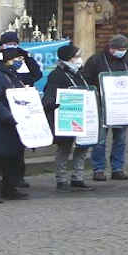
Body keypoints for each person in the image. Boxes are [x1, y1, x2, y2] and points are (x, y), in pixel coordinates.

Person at [0, 38, 39, 202]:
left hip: (15, 123)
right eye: (18, 59)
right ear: (8, 60)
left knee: (12, 158)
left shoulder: (14, 76)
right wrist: (7, 116)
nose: (20, 62)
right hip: (1, 123)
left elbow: (34, 77)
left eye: (21, 59)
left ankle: (9, 188)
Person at [82, 34, 128, 181]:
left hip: (121, 106)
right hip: (101, 105)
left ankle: (117, 168)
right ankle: (99, 169)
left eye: (124, 49)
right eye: (119, 49)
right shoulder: (96, 60)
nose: (122, 51)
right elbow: (86, 79)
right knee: (100, 140)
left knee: (120, 139)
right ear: (111, 48)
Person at [43, 42, 95, 192]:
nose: (79, 59)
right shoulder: (57, 75)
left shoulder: (78, 72)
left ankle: (78, 177)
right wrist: (58, 104)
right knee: (64, 149)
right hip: (65, 117)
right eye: (76, 56)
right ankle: (61, 179)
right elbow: (49, 97)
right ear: (68, 58)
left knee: (82, 147)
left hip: (82, 115)